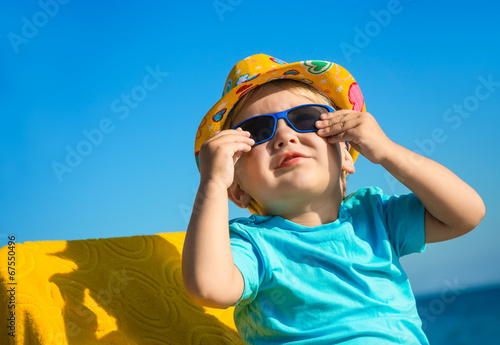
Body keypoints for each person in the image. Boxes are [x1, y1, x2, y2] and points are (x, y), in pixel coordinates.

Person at [182, 54, 485, 344]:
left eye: (306, 119)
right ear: (237, 189)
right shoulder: (253, 244)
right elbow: (210, 288)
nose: (284, 136)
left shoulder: (376, 217)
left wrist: (389, 151)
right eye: (256, 131)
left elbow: (466, 213)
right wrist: (211, 183)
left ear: (345, 153)